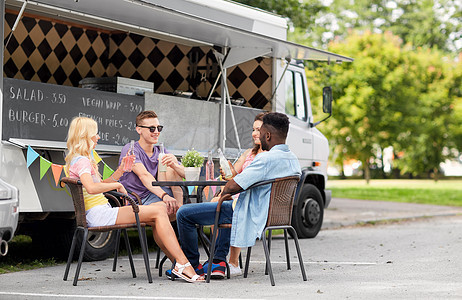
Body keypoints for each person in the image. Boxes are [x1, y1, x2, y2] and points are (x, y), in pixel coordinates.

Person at [65, 117, 203, 283]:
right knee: (159, 211)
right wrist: (117, 185)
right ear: (85, 136)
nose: (98, 137)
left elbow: (100, 185)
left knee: (157, 215)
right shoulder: (82, 161)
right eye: (95, 134)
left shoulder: (80, 160)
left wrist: (121, 170)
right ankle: (183, 264)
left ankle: (180, 264)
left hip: (101, 211)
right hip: (99, 214)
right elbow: (92, 188)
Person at [176, 112, 301, 279]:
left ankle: (191, 265)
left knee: (184, 213)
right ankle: (218, 262)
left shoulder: (266, 159)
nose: (259, 136)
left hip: (251, 213)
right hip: (275, 216)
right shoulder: (293, 159)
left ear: (268, 135)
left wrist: (225, 193)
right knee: (225, 208)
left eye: (261, 132)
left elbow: (234, 185)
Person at [212, 112, 266, 276]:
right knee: (217, 204)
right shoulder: (249, 153)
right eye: (253, 129)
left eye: (258, 130)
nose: (254, 133)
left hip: (251, 198)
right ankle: (217, 261)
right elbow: (233, 176)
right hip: (238, 192)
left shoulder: (269, 157)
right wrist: (228, 170)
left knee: (226, 207)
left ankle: (230, 262)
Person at [116, 111, 185, 219]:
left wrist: (175, 164)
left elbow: (187, 175)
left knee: (171, 167)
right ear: (139, 129)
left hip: (160, 195)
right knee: (162, 210)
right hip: (139, 200)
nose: (156, 132)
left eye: (159, 128)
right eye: (152, 128)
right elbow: (144, 175)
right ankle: (181, 212)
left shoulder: (161, 151)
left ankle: (180, 208)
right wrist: (164, 196)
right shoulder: (131, 149)